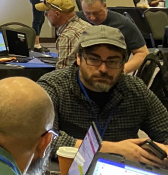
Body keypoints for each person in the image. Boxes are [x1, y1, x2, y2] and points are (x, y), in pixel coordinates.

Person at [39, 25, 168, 162]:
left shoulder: (136, 90)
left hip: (120, 174)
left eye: (112, 61)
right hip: (65, 173)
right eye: (94, 59)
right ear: (78, 58)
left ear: (123, 63)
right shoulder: (53, 86)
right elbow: (42, 140)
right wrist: (114, 150)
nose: (103, 69)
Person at [78, 0, 148, 74]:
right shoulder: (78, 19)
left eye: (96, 13)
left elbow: (142, 53)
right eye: (87, 13)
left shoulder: (123, 23)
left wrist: (122, 70)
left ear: (105, 6)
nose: (92, 18)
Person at [34, 0, 89, 71]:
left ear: (57, 14)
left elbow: (63, 75)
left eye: (47, 11)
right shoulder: (86, 25)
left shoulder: (67, 37)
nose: (45, 14)